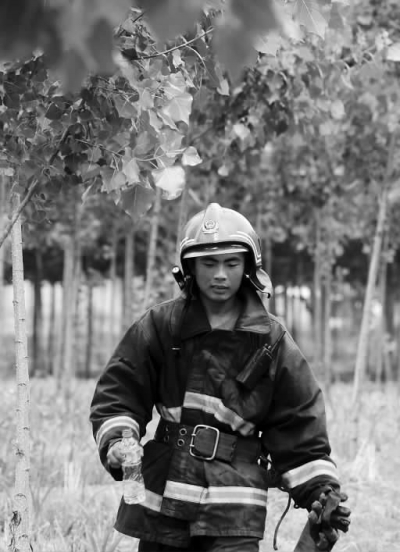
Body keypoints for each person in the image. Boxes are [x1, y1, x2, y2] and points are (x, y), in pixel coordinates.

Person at [90, 203, 350, 552]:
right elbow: (120, 393)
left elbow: (299, 423)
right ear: (190, 268)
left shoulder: (272, 340)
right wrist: (119, 442)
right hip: (162, 501)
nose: (220, 275)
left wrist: (322, 491)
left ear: (248, 267)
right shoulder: (161, 325)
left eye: (231, 263)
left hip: (234, 506)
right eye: (209, 263)